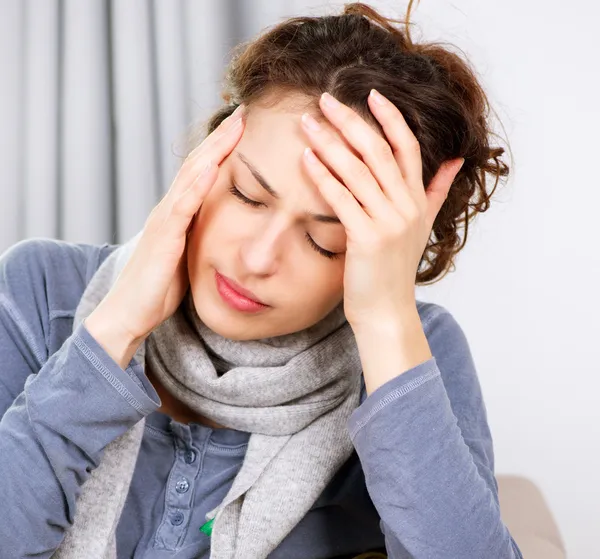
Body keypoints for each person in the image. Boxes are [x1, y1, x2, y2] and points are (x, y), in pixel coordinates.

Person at [0, 2, 521, 558]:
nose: (257, 258)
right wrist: (117, 328)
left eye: (327, 242)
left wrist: (387, 322)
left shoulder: (411, 350)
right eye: (247, 194)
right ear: (208, 158)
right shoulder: (42, 290)